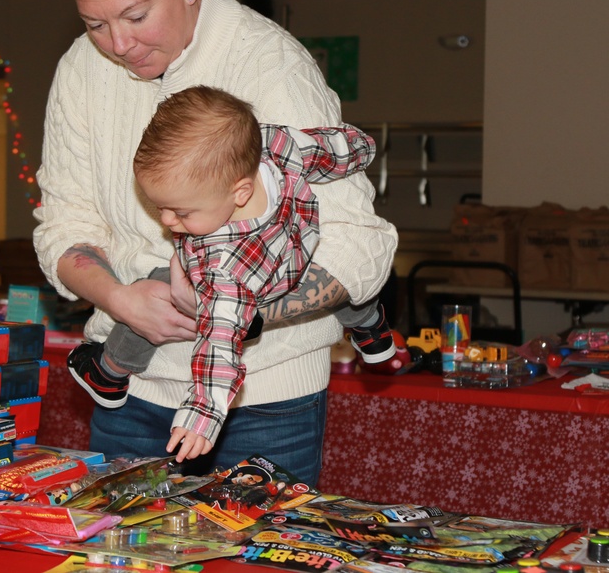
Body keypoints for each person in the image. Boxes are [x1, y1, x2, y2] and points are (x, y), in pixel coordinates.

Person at [33, 0, 397, 485]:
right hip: (129, 392)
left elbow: (359, 249)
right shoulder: (82, 67)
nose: (118, 44)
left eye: (135, 15)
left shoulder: (271, 66)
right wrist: (122, 301)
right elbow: (64, 222)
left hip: (266, 401)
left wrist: (229, 312)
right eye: (95, 24)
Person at [66, 86, 398, 461]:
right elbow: (328, 150)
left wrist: (202, 415)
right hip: (298, 251)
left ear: (239, 192)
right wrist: (362, 147)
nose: (166, 220)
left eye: (181, 212)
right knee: (345, 290)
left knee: (157, 282)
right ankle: (372, 329)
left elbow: (219, 346)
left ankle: (109, 370)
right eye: (159, 207)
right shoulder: (275, 146)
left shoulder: (220, 270)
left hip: (256, 281)